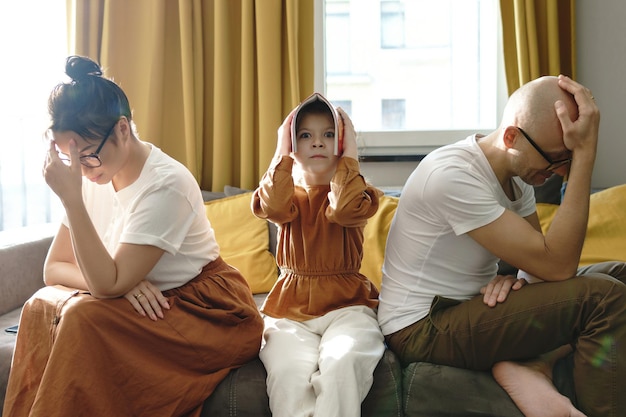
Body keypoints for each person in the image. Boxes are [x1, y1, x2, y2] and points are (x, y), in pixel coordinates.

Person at [3, 55, 264, 417]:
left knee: (82, 318)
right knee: (39, 306)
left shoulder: (165, 184)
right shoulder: (92, 174)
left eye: (89, 157)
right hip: (138, 302)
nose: (82, 171)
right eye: (69, 159)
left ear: (123, 129)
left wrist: (73, 203)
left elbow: (105, 284)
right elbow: (55, 269)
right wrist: (119, 284)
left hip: (202, 312)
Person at [377, 74, 626, 417]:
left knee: (620, 274)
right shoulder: (452, 175)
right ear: (511, 136)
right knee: (604, 298)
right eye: (555, 158)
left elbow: (541, 265)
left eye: (566, 159)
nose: (558, 170)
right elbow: (557, 265)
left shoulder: (516, 179)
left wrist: (513, 277)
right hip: (421, 326)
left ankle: (530, 361)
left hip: (466, 307)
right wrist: (585, 155)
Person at [251, 96, 385, 417]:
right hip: (289, 310)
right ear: (292, 144)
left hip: (349, 306)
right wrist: (281, 154)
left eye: (329, 134)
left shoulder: (360, 194)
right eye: (305, 135)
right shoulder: (286, 195)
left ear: (341, 143)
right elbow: (271, 206)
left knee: (344, 362)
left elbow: (342, 209)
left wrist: (349, 156)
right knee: (287, 374)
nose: (317, 143)